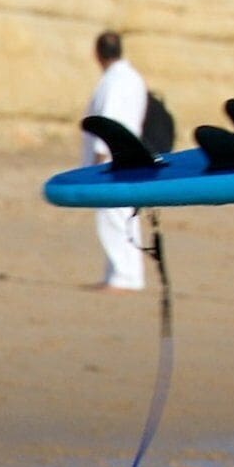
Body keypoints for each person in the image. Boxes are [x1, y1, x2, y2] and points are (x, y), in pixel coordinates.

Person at [83, 31, 150, 292]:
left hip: (113, 160)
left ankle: (123, 276)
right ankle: (122, 273)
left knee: (113, 218)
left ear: (98, 53)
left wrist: (99, 158)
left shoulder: (114, 82)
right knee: (125, 217)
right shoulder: (132, 78)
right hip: (130, 156)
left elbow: (107, 121)